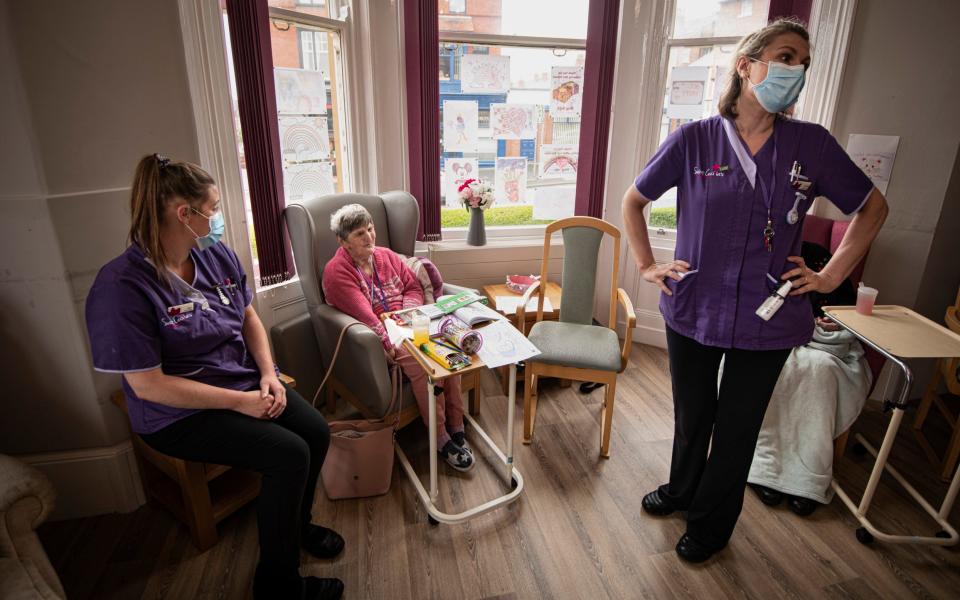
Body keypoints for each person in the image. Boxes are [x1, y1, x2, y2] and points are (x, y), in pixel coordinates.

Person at [621, 19, 888, 563]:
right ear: (747, 64)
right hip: (694, 305)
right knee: (694, 416)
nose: (796, 70)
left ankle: (711, 525)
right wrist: (647, 265)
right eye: (786, 56)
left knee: (738, 429)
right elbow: (633, 201)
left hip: (768, 316)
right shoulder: (694, 139)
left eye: (804, 63)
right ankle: (681, 490)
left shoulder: (809, 145)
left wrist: (832, 276)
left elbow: (872, 208)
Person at [85, 154, 344, 600]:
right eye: (214, 208)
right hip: (177, 414)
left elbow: (248, 317)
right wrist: (241, 403)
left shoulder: (213, 253)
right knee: (288, 454)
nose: (220, 219)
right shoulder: (122, 287)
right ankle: (277, 585)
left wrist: (268, 374)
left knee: (315, 431)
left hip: (243, 380)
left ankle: (295, 527)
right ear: (184, 214)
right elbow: (149, 386)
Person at [322, 204, 474, 471]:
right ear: (343, 241)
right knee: (424, 363)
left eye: (370, 229)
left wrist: (409, 312)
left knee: (450, 351)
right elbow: (366, 315)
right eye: (359, 234)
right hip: (382, 333)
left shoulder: (386, 256)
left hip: (409, 321)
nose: (369, 237)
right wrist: (387, 338)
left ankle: (457, 423)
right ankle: (439, 436)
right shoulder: (337, 272)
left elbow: (412, 286)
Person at [748, 242, 871, 516]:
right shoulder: (756, 256)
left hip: (821, 347)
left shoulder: (820, 259)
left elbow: (844, 309)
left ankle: (806, 476)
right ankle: (765, 469)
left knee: (820, 369)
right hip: (772, 338)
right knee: (779, 369)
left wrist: (832, 323)